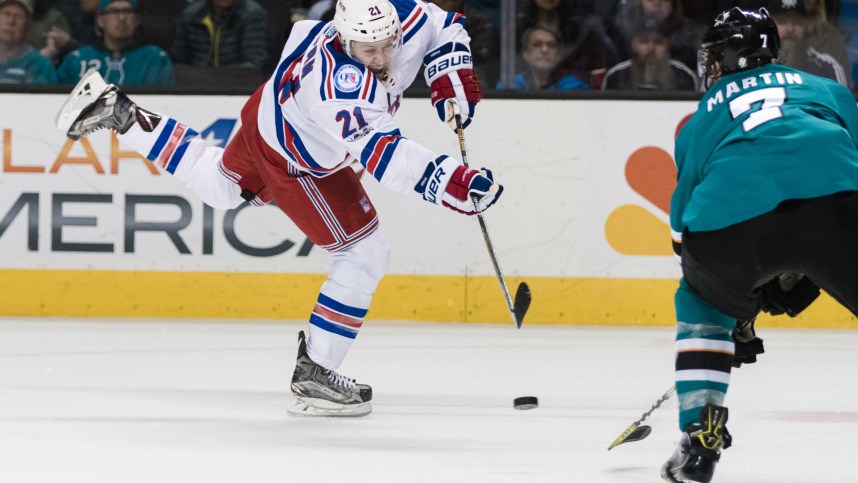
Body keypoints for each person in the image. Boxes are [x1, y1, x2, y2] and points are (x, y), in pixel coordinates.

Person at [55, 0, 499, 418]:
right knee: (364, 252)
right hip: (298, 159)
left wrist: (450, 75)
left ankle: (119, 112)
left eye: (389, 45)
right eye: (369, 50)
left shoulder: (399, 17)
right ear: (345, 41)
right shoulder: (340, 85)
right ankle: (316, 373)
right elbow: (386, 157)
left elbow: (443, 25)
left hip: (266, 114)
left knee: (219, 187)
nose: (383, 59)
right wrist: (453, 185)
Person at [663, 7, 858, 482]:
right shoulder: (827, 89)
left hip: (728, 229)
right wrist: (812, 262)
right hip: (835, 203)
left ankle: (701, 437)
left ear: (730, 55)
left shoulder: (701, 116)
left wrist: (734, 312)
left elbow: (681, 230)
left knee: (700, 303)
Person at [56, 0, 174, 85]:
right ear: (100, 21)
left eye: (127, 11)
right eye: (114, 11)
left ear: (136, 20)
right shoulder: (77, 60)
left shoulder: (155, 59)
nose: (122, 18)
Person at [761, 0, 850, 86]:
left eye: (798, 22)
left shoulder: (827, 67)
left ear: (807, 27)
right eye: (782, 21)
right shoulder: (756, 64)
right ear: (770, 25)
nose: (790, 28)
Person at [601, 17, 698, 90]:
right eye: (644, 41)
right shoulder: (616, 75)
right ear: (634, 44)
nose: (651, 48)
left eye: (658, 42)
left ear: (667, 44)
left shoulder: (684, 75)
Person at [172, 0, 268, 72]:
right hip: (194, 84)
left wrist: (214, 76)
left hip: (237, 86)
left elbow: (253, 64)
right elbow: (179, 61)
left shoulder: (252, 15)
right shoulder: (190, 15)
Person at [505, 24, 588, 90]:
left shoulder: (575, 87)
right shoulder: (510, 85)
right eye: (537, 44)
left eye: (551, 45)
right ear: (525, 54)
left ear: (558, 56)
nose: (545, 50)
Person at [0, 0, 56, 83]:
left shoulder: (40, 64)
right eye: (6, 14)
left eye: (19, 16)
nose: (11, 21)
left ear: (27, 25)